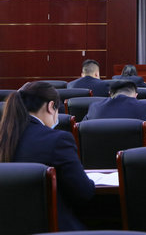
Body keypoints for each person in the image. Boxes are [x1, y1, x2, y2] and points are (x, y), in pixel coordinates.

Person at [0, 81, 95, 230]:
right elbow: (84, 192)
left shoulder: (5, 138)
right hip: (52, 228)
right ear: (51, 106)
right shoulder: (58, 140)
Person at [84, 79, 146, 143]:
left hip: (94, 165)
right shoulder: (145, 108)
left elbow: (81, 133)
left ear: (110, 94)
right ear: (136, 95)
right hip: (135, 164)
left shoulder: (94, 107)